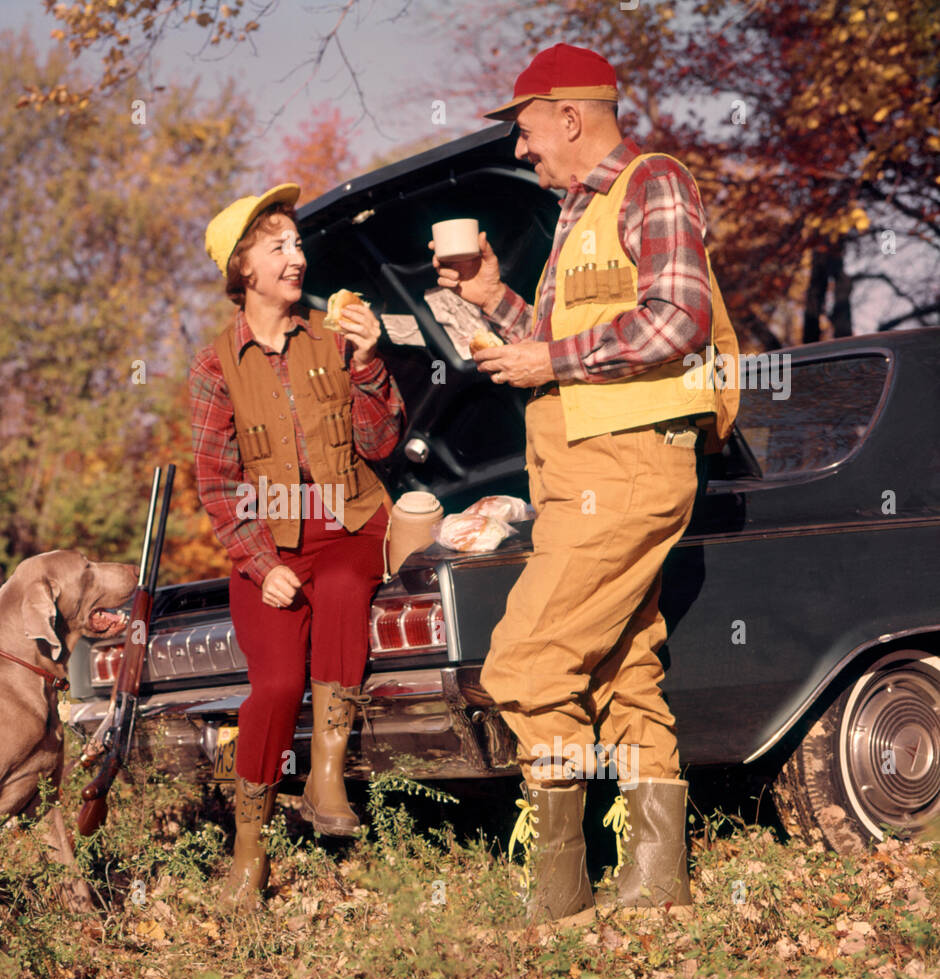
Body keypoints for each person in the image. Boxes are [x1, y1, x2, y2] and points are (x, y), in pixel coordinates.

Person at [431, 44, 739, 926]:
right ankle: (653, 892)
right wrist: (494, 300)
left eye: (525, 130)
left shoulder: (654, 181)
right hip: (577, 472)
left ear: (569, 115)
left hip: (631, 462)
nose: (521, 150)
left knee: (526, 662)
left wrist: (548, 356)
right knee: (624, 668)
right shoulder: (577, 212)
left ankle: (559, 895)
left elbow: (677, 317)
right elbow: (586, 344)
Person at [191, 183, 405, 906]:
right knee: (276, 686)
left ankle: (326, 779)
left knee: (345, 590)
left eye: (299, 243)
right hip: (271, 538)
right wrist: (261, 564)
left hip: (348, 518)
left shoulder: (333, 340)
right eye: (278, 245)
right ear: (243, 269)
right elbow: (218, 487)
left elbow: (381, 441)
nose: (298, 255)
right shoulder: (215, 365)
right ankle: (248, 856)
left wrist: (372, 362)